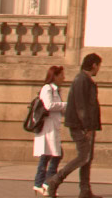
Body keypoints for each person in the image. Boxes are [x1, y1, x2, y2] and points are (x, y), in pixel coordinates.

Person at [45, 53, 102, 198]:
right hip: (81, 125)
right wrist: (87, 127)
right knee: (83, 157)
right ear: (94, 65)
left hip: (87, 125)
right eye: (99, 66)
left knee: (87, 157)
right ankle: (55, 180)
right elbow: (81, 106)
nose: (99, 69)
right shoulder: (81, 80)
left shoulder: (86, 80)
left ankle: (85, 190)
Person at [32, 65, 67, 196]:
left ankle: (39, 183)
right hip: (47, 127)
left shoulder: (56, 90)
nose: (63, 78)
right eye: (62, 75)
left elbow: (57, 108)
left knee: (47, 155)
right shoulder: (47, 88)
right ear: (55, 76)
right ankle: (47, 183)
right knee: (55, 155)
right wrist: (65, 105)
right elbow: (49, 105)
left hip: (53, 126)